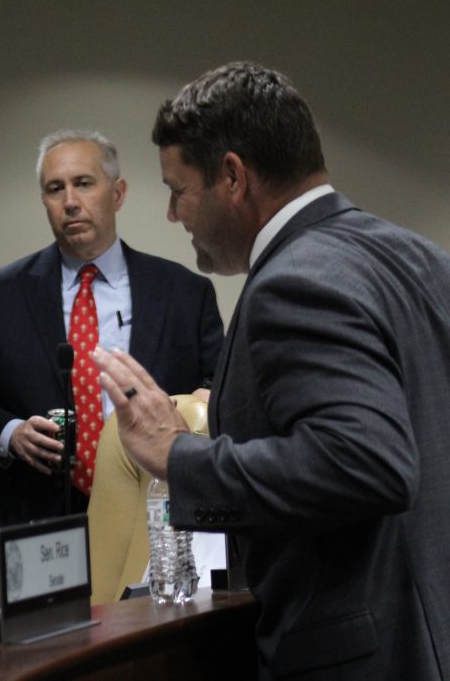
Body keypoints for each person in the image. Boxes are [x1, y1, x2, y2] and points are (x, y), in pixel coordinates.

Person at [94, 61, 450, 678]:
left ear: (233, 176)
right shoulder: (422, 257)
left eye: (178, 190)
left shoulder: (294, 281)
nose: (174, 215)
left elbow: (365, 462)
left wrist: (179, 455)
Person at [0, 129, 223, 599]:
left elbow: (216, 384)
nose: (70, 201)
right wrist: (10, 433)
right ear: (44, 201)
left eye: (84, 183)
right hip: (38, 523)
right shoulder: (1, 292)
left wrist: (198, 406)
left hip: (152, 519)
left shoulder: (183, 291)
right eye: (56, 189)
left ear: (117, 194)